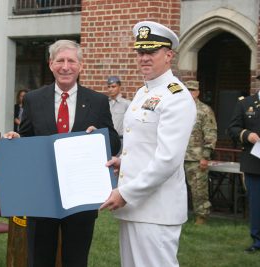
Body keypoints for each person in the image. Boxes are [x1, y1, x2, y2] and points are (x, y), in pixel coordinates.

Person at [4, 39, 120, 267]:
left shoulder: (97, 101)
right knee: (39, 259)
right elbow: (26, 136)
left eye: (71, 61)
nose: (65, 66)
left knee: (75, 260)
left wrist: (100, 137)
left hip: (80, 195)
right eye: (60, 60)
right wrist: (17, 141)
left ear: (80, 65)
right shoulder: (33, 99)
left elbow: (114, 141)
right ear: (51, 64)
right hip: (42, 195)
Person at [100, 21, 196, 267]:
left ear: (168, 55)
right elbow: (144, 144)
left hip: (156, 210)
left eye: (150, 51)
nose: (143, 58)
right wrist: (124, 161)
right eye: (140, 52)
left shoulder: (176, 97)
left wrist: (125, 193)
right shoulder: (144, 92)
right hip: (136, 207)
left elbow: (168, 160)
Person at [228, 78, 260, 253]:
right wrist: (247, 135)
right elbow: (232, 128)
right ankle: (257, 241)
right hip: (255, 163)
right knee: (256, 204)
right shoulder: (246, 104)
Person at [184, 80, 217, 225]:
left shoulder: (204, 110)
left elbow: (210, 134)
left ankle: (201, 215)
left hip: (196, 157)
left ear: (198, 92)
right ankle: (177, 215)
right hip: (178, 156)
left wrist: (206, 156)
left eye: (193, 90)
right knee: (176, 189)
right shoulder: (179, 109)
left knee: (198, 189)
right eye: (188, 90)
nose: (190, 93)